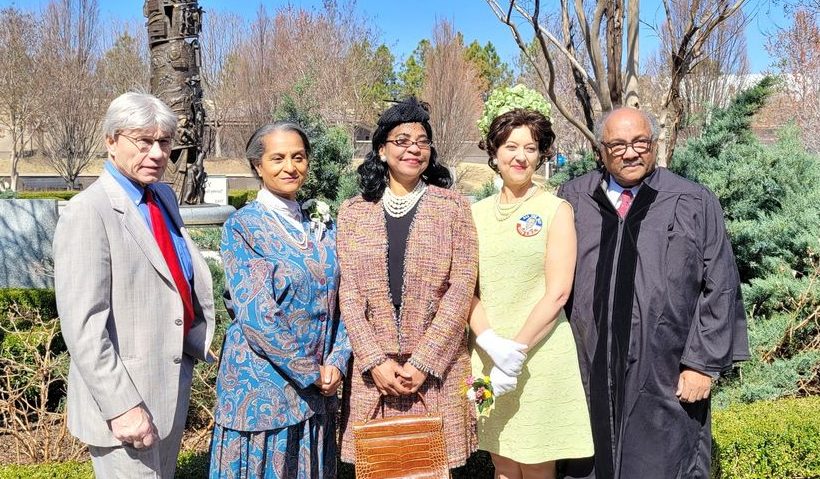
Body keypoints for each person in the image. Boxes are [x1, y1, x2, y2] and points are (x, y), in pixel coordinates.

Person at [557, 107, 750, 479]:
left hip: (664, 371)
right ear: (601, 150)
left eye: (640, 142)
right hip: (586, 367)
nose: (630, 153)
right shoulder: (574, 199)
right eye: (617, 145)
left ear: (655, 144)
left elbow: (721, 284)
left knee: (662, 462)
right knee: (586, 463)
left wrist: (702, 364)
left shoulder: (692, 200)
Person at [53, 92, 216, 478]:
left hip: (170, 385)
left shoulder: (162, 196)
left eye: (164, 143)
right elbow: (84, 327)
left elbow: (175, 280)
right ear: (111, 140)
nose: (157, 153)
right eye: (143, 141)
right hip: (127, 404)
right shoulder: (87, 213)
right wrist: (122, 406)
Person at [337, 97, 478, 470]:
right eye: (402, 140)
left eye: (422, 141)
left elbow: (462, 288)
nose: (414, 148)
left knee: (432, 467)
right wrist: (373, 361)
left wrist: (424, 362)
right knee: (379, 467)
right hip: (375, 378)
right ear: (381, 150)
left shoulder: (453, 207)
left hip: (435, 374)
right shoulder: (354, 211)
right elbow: (348, 293)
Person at [209, 122, 351, 478]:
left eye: (298, 157)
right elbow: (257, 314)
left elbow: (348, 295)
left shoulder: (322, 225)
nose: (290, 166)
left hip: (316, 392)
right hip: (262, 391)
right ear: (258, 165)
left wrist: (337, 359)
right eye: (278, 158)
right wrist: (310, 372)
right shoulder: (243, 227)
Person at [469, 108, 593, 479]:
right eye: (510, 146)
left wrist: (515, 352)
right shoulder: (473, 214)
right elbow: (464, 289)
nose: (520, 157)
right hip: (489, 358)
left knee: (537, 463)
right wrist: (494, 347)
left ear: (542, 155)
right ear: (494, 152)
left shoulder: (556, 210)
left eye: (531, 147)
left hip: (539, 356)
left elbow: (557, 293)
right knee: (502, 461)